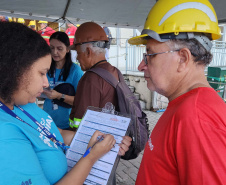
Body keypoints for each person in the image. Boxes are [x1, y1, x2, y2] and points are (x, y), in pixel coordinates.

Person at [0, 21, 131, 185]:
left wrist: (101, 140)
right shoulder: (4, 133)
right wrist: (91, 156)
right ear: (14, 70)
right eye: (41, 73)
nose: (46, 83)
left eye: (46, 74)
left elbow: (55, 133)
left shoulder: (23, 104)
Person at [128, 0, 226, 184]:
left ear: (182, 58)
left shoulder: (197, 118)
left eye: (149, 55)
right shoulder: (184, 105)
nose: (141, 66)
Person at [69, 22, 118, 129]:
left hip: (93, 143)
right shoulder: (115, 72)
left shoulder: (90, 79)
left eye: (78, 53)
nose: (77, 58)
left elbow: (80, 125)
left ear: (88, 52)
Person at [43, 31, 83, 129]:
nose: (54, 52)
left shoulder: (75, 70)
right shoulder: (45, 67)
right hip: (47, 123)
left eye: (59, 49)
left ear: (68, 49)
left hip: (67, 125)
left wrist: (59, 96)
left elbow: (80, 101)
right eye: (51, 48)